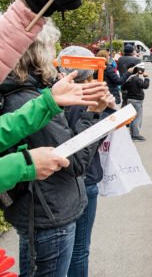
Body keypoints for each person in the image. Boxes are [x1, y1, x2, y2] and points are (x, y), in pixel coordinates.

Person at [0, 21, 111, 277]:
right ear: (38, 53)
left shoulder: (22, 93)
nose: (55, 56)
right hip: (50, 214)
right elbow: (76, 160)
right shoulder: (27, 98)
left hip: (44, 208)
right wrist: (94, 114)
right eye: (51, 48)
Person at [56, 46, 117, 277]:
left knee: (64, 250)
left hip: (61, 180)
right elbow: (93, 138)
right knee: (80, 249)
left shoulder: (54, 98)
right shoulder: (90, 99)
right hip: (85, 177)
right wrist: (107, 110)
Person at [123, 63, 150, 141]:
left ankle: (133, 134)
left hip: (130, 99)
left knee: (132, 118)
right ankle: (135, 135)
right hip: (137, 101)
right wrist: (146, 78)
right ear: (139, 71)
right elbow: (145, 86)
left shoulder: (130, 78)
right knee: (137, 118)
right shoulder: (137, 79)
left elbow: (123, 87)